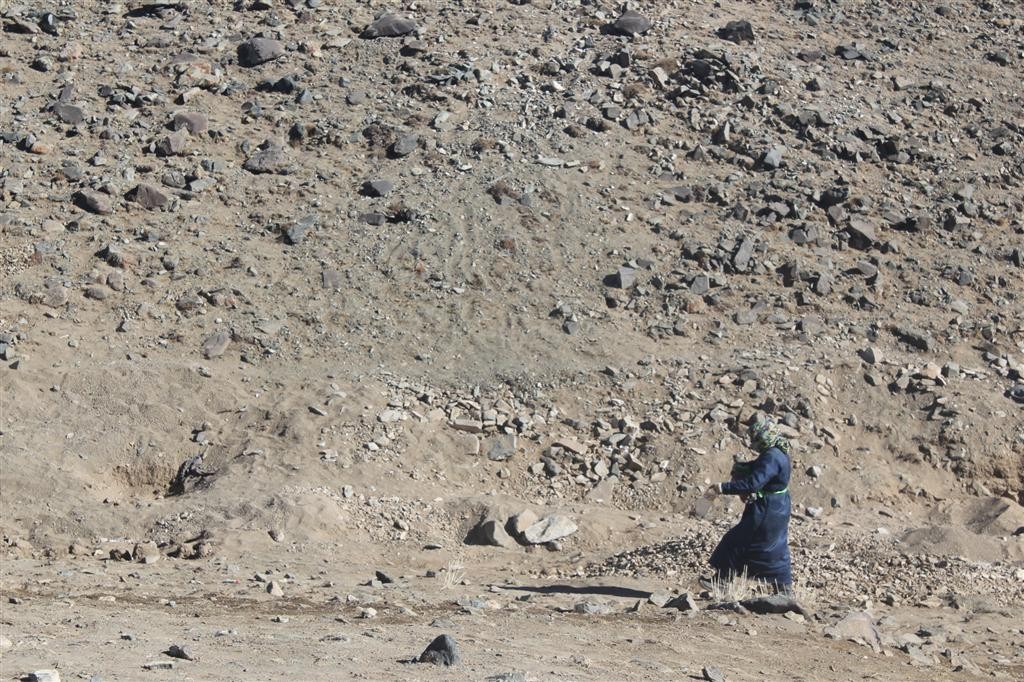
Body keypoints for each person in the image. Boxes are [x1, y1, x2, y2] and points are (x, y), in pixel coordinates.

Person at [702, 417, 793, 594]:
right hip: (778, 507)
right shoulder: (778, 451)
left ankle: (722, 581)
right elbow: (761, 468)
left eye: (755, 440)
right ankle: (784, 589)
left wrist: (722, 488)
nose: (753, 444)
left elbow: (753, 484)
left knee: (735, 541)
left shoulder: (771, 457)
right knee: (774, 546)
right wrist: (745, 467)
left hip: (766, 510)